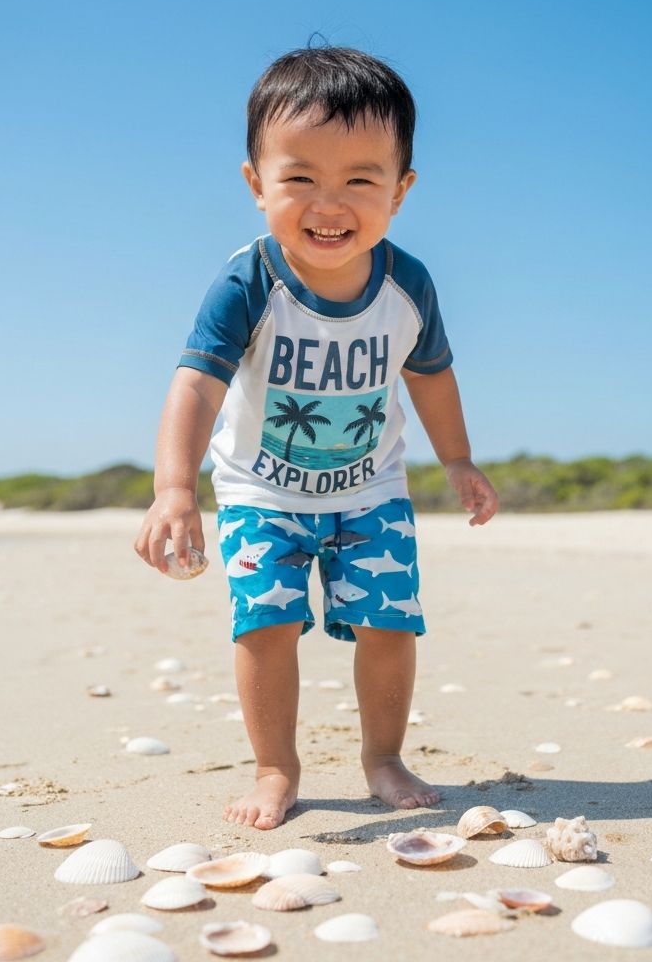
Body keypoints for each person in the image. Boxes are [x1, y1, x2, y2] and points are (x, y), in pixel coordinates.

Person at [134, 45, 497, 830]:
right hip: (262, 493)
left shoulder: (409, 286)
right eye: (299, 178)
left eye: (360, 180)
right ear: (255, 183)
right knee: (264, 625)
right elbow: (197, 382)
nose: (328, 203)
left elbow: (429, 374)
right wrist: (175, 489)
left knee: (391, 623)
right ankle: (275, 768)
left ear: (399, 192)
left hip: (372, 491)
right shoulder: (248, 283)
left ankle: (383, 757)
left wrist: (458, 458)